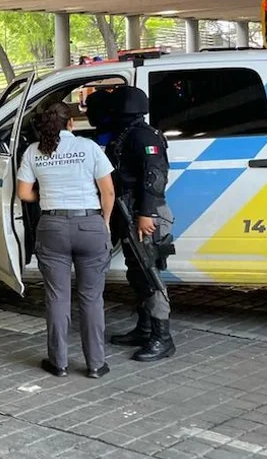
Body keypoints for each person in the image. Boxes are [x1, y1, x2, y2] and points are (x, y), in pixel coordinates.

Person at [16, 101, 115, 379]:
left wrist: (47, 199)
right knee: (92, 298)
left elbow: (24, 193)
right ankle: (96, 364)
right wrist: (104, 222)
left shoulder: (34, 151)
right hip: (89, 225)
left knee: (58, 298)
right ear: (71, 123)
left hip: (52, 226)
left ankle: (58, 363)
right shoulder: (89, 147)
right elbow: (107, 192)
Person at [106, 86, 177, 362]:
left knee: (150, 273)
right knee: (137, 272)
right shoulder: (127, 135)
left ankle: (163, 337)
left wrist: (145, 213)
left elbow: (155, 177)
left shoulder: (145, 136)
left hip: (146, 213)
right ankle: (145, 327)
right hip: (129, 211)